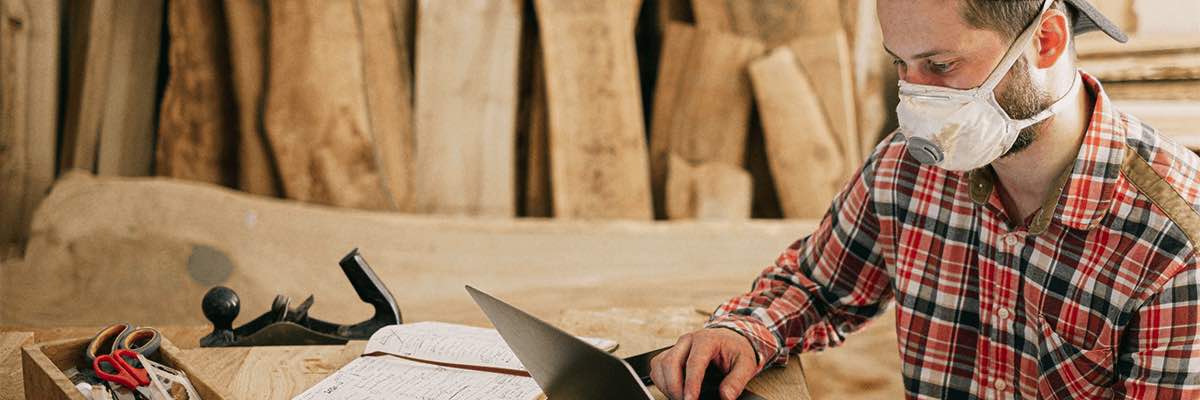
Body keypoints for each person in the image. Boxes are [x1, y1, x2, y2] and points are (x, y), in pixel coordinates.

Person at [650, 0, 1200, 398]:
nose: (916, 99)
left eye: (940, 67)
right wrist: (743, 331)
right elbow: (817, 286)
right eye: (901, 65)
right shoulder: (910, 168)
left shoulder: (1175, 245)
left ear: (1046, 39)